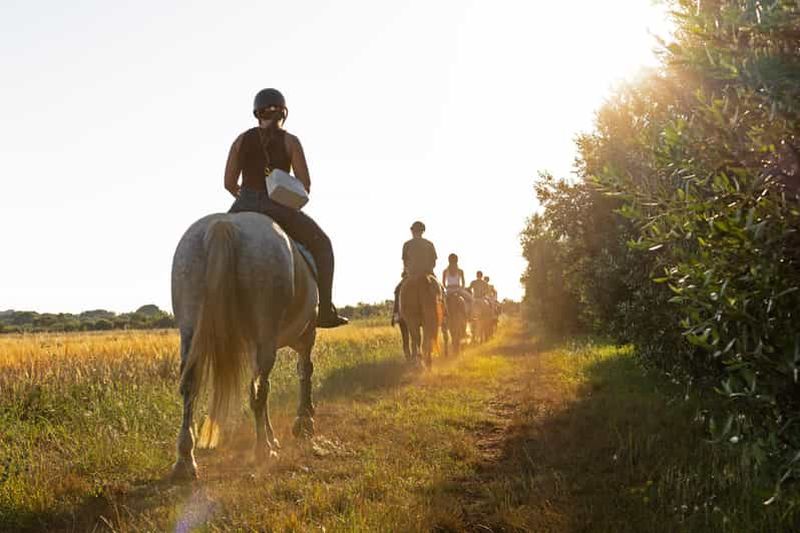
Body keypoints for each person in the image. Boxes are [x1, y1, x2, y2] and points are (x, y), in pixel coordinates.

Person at [225, 88, 348, 328]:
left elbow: (229, 183)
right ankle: (325, 311)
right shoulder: (290, 141)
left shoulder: (240, 140)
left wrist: (246, 196)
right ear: (284, 113)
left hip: (243, 205)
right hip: (277, 207)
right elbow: (305, 185)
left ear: (257, 113)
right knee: (323, 245)